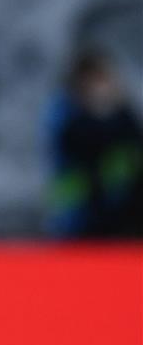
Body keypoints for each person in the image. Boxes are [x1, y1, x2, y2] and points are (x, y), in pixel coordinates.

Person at [44, 49, 143, 239]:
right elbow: (80, 152)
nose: (103, 85)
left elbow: (134, 154)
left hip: (122, 214)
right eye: (97, 78)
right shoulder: (68, 117)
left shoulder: (123, 114)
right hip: (79, 221)